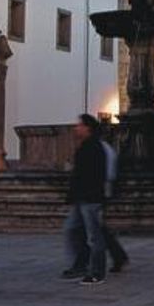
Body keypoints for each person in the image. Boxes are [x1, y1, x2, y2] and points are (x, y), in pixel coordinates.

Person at [70, 132, 129, 274]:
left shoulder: (100, 149)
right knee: (96, 228)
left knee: (88, 230)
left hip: (95, 194)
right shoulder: (102, 148)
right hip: (93, 193)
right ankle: (117, 256)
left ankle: (89, 264)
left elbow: (107, 173)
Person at [60, 114, 108, 285]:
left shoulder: (94, 147)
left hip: (90, 198)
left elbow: (93, 174)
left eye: (79, 125)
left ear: (88, 128)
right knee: (72, 229)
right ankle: (81, 263)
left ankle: (97, 272)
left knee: (94, 236)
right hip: (82, 198)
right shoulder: (85, 146)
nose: (76, 128)